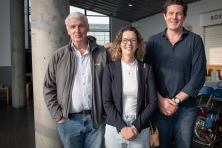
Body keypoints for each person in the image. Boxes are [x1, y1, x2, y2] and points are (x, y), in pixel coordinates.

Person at [144, 0, 206, 148]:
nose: (174, 17)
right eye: (171, 13)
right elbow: (146, 75)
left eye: (179, 14)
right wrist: (160, 100)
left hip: (186, 108)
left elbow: (198, 76)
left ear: (184, 17)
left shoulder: (195, 41)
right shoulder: (153, 42)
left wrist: (175, 101)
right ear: (164, 15)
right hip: (160, 108)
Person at [43, 12, 111, 148]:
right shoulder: (59, 55)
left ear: (87, 28)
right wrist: (59, 116)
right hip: (69, 121)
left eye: (81, 26)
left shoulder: (103, 54)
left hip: (96, 120)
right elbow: (48, 87)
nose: (77, 30)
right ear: (68, 30)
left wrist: (105, 112)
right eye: (73, 27)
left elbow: (111, 85)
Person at [102, 26, 158, 148]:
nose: (129, 43)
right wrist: (122, 127)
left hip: (140, 126)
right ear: (119, 43)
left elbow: (153, 102)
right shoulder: (110, 69)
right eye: (125, 40)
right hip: (114, 127)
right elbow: (107, 102)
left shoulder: (146, 69)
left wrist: (135, 126)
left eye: (133, 40)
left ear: (138, 44)